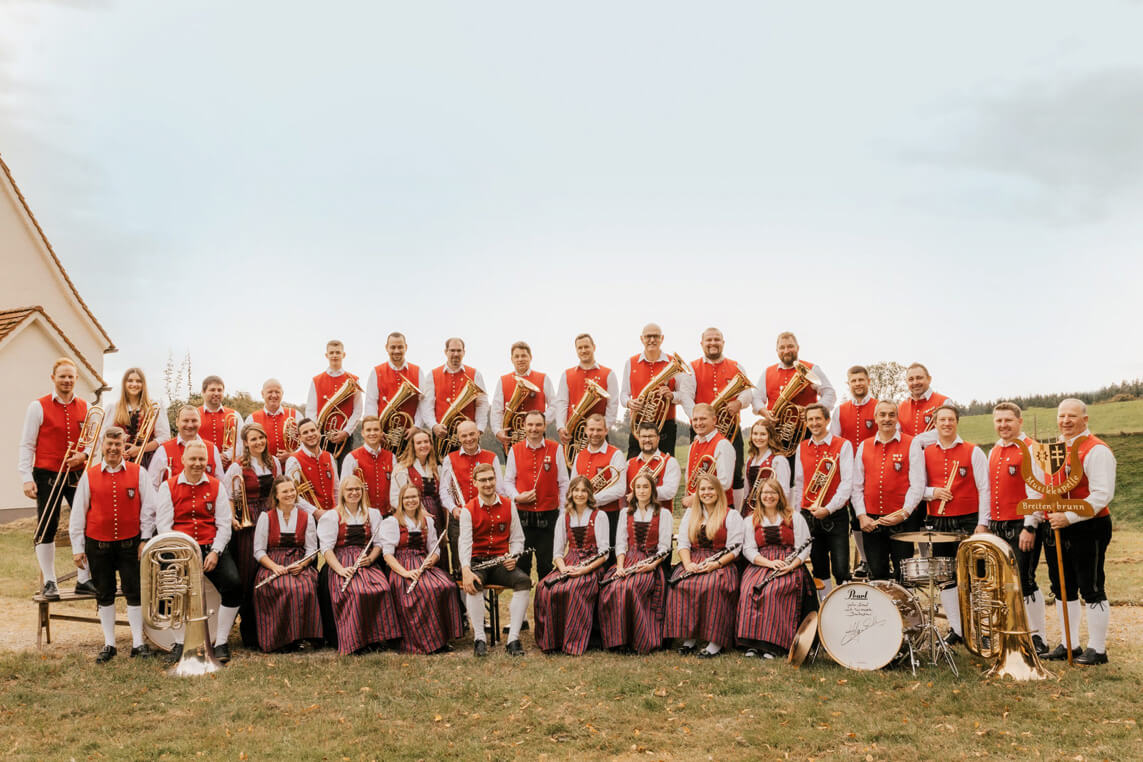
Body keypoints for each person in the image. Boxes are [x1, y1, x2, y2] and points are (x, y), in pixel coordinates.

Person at [1036, 399, 1116, 665]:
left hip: (1088, 526)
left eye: (1072, 416)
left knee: (1090, 586)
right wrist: (1042, 513)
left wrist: (1069, 517)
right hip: (1056, 526)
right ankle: (1069, 644)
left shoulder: (1096, 450)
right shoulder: (1054, 449)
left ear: (1085, 419)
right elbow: (1045, 487)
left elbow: (1101, 495)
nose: (1066, 421)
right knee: (1062, 586)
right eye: (1062, 416)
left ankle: (1098, 649)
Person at [148, 440, 241, 664]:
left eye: (202, 459)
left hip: (211, 548)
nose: (197, 463)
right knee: (167, 592)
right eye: (193, 459)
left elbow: (224, 524)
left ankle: (220, 642)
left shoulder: (217, 485)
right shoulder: (167, 486)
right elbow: (163, 526)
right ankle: (179, 642)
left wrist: (216, 552)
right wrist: (182, 556)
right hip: (179, 549)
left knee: (234, 585)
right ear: (183, 460)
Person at [68, 426, 156, 662]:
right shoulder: (90, 474)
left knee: (133, 592)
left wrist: (145, 539)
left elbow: (149, 509)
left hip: (130, 545)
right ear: (102, 447)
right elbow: (78, 514)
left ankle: (138, 643)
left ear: (124, 446)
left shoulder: (139, 472)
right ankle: (110, 644)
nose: (114, 448)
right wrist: (78, 548)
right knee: (104, 594)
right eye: (109, 444)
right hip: (98, 547)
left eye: (118, 444)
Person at [912, 405, 989, 646]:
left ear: (957, 422)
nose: (946, 423)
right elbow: (915, 488)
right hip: (938, 520)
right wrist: (933, 492)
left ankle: (983, 631)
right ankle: (958, 629)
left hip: (968, 520)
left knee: (975, 577)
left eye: (951, 419)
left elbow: (985, 489)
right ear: (935, 423)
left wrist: (983, 523)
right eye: (942, 419)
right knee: (946, 578)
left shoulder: (973, 451)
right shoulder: (925, 453)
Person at [19, 358, 96, 598]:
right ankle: (50, 582)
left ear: (76, 379)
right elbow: (27, 444)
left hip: (77, 472)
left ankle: (84, 579)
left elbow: (92, 443)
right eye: (62, 376)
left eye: (71, 376)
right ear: (53, 378)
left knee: (86, 523)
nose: (67, 380)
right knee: (47, 526)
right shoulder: (38, 406)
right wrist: (26, 476)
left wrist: (83, 455)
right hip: (46, 473)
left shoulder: (86, 407)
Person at [984, 402, 1048, 654]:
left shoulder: (1032, 449)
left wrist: (1030, 526)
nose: (1003, 425)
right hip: (997, 525)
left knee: (1025, 581)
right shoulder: (994, 451)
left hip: (1022, 525)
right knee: (999, 582)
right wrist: (987, 523)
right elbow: (989, 492)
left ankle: (1038, 636)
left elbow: (1038, 490)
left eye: (1008, 420)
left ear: (1019, 421)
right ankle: (1005, 631)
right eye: (999, 421)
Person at [319, 475, 401, 654]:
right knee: (354, 592)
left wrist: (371, 559)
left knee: (382, 588)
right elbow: (326, 549)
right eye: (349, 490)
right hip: (341, 562)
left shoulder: (373, 514)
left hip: (365, 561)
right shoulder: (332, 516)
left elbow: (379, 543)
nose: (354, 493)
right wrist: (341, 570)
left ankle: (375, 638)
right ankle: (355, 640)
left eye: (357, 489)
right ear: (342, 493)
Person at [664, 473, 743, 658]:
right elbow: (683, 544)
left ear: (718, 491)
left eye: (711, 488)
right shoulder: (691, 514)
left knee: (713, 586)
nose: (707, 492)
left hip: (721, 563)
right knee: (682, 584)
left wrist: (715, 565)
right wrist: (688, 564)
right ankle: (690, 638)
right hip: (694, 560)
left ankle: (715, 641)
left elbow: (735, 549)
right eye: (703, 489)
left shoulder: (731, 515)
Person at [736, 477, 814, 659]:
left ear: (780, 495)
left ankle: (774, 644)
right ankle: (752, 643)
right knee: (749, 589)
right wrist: (768, 563)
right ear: (759, 495)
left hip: (789, 564)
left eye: (773, 492)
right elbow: (748, 549)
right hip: (762, 563)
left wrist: (791, 566)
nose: (768, 496)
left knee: (774, 590)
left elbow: (805, 547)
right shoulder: (750, 520)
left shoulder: (794, 516)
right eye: (765, 493)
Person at [458, 463, 531, 657]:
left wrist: (513, 556)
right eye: (483, 480)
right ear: (475, 483)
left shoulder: (509, 505)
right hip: (477, 561)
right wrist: (466, 570)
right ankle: (479, 638)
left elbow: (518, 539)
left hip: (500, 560)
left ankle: (513, 639)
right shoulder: (468, 510)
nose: (488, 483)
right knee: (474, 582)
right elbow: (464, 543)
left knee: (524, 581)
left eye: (491, 479)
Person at [382, 482, 463, 654]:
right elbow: (388, 555)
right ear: (401, 500)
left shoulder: (427, 521)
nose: (411, 500)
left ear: (419, 500)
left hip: (423, 564)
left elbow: (435, 549)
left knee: (447, 586)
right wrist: (405, 573)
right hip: (402, 567)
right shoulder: (392, 522)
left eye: (414, 497)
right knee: (426, 590)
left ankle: (442, 638)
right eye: (407, 497)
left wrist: (431, 561)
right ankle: (426, 641)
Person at [533, 476, 610, 654]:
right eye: (576, 490)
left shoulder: (599, 516)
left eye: (584, 490)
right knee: (544, 587)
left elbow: (604, 553)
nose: (580, 494)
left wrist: (585, 569)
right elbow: (558, 553)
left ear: (590, 493)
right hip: (569, 562)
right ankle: (552, 640)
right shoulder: (564, 517)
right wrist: (563, 568)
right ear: (571, 493)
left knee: (573, 588)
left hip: (592, 565)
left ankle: (573, 642)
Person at [597, 472, 673, 653]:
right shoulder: (625, 512)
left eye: (646, 487)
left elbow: (664, 547)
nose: (641, 490)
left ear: (652, 490)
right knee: (613, 587)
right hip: (628, 560)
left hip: (651, 562)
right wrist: (621, 567)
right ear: (633, 490)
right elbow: (621, 545)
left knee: (630, 587)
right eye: (638, 487)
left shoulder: (664, 514)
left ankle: (637, 638)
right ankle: (617, 640)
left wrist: (652, 565)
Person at [678, 327, 753, 508]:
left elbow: (748, 394)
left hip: (731, 428)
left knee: (735, 474)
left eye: (717, 340)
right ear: (702, 343)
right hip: (702, 430)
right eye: (709, 340)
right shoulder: (691, 368)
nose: (713, 343)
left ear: (723, 343)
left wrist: (739, 403)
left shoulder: (736, 366)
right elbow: (685, 396)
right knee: (699, 471)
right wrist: (699, 418)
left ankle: (734, 513)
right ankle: (699, 508)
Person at [224, 423, 282, 648]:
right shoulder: (237, 466)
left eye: (261, 437)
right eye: (253, 439)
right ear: (245, 443)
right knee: (250, 572)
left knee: (270, 568)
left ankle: (272, 626)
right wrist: (234, 518)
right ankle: (250, 631)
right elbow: (229, 496)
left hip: (270, 517)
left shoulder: (274, 462)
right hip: (249, 522)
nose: (258, 442)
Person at [852, 401, 924, 581]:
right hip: (872, 521)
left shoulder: (912, 443)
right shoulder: (864, 446)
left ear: (897, 418)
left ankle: (902, 609)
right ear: (875, 418)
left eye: (891, 415)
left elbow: (917, 484)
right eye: (882, 415)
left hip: (902, 521)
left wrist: (904, 513)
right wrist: (861, 516)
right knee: (877, 573)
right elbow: (857, 486)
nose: (887, 419)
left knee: (903, 575)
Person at [752, 332, 836, 481]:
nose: (786, 350)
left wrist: (813, 411)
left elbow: (829, 394)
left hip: (805, 433)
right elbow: (756, 397)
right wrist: (764, 412)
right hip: (775, 435)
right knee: (774, 477)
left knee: (804, 476)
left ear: (797, 348)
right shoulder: (768, 372)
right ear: (777, 350)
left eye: (790, 346)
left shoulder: (812, 368)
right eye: (782, 347)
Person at [252, 476, 322, 652]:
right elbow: (259, 551)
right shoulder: (265, 517)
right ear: (276, 495)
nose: (290, 494)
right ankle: (278, 639)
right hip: (273, 564)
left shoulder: (306, 517)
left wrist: (303, 565)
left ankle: (300, 637)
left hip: (298, 563)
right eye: (285, 491)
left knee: (304, 587)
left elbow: (311, 550)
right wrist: (275, 567)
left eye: (292, 490)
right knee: (280, 587)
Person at [792, 404, 854, 597]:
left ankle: (844, 610)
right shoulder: (801, 447)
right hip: (809, 514)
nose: (814, 423)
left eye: (818, 419)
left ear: (827, 420)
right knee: (819, 568)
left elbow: (847, 483)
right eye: (810, 419)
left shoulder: (843, 444)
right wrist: (798, 514)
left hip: (835, 515)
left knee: (841, 568)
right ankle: (825, 610)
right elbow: (799, 483)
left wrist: (828, 508)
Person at [503, 410, 569, 582]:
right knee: (522, 565)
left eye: (538, 424)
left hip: (549, 515)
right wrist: (517, 497)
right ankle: (522, 608)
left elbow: (563, 483)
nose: (534, 428)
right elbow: (507, 482)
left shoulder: (556, 449)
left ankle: (544, 606)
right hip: (522, 516)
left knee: (546, 566)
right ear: (524, 426)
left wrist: (562, 513)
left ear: (545, 426)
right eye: (530, 424)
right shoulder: (514, 450)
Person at [831, 366, 878, 577]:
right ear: (848, 384)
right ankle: (865, 560)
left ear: (868, 381)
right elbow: (835, 441)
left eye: (861, 380)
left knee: (874, 513)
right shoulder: (840, 410)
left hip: (874, 470)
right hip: (848, 471)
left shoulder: (879, 407)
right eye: (853, 380)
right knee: (856, 518)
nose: (858, 383)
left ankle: (879, 559)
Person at [620, 322, 684, 458]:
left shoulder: (673, 362)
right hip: (638, 424)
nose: (652, 340)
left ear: (662, 338)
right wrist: (629, 403)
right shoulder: (631, 362)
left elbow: (683, 395)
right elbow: (624, 394)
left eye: (656, 336)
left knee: (665, 463)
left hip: (666, 424)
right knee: (633, 463)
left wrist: (671, 395)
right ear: (642, 339)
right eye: (648, 336)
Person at [389, 429, 449, 570]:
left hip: (436, 516)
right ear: (413, 446)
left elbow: (444, 495)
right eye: (419, 442)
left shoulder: (438, 468)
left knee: (437, 553)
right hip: (413, 517)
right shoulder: (402, 468)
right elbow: (394, 498)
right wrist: (418, 512)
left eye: (426, 442)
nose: (423, 445)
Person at [365, 332, 432, 452]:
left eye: (400, 347)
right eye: (393, 347)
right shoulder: (376, 371)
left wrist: (416, 427)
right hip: (384, 437)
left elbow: (423, 404)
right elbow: (371, 404)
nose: (396, 351)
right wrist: (377, 431)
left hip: (410, 434)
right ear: (386, 348)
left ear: (406, 347)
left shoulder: (417, 371)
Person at [555, 333, 620, 457]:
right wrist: (560, 427)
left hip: (598, 432)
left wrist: (604, 429)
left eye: (586, 347)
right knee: (572, 472)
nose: (583, 350)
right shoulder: (566, 374)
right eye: (580, 348)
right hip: (573, 432)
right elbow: (562, 402)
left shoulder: (609, 374)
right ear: (576, 350)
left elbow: (613, 405)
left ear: (593, 347)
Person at [571, 414, 627, 550]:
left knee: (608, 555)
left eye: (599, 430)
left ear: (606, 431)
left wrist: (591, 499)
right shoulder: (579, 455)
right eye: (591, 429)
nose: (595, 433)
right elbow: (572, 486)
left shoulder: (615, 454)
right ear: (585, 430)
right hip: (583, 515)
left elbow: (620, 488)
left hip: (609, 515)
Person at [427, 337, 490, 457]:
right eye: (452, 350)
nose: (455, 354)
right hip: (442, 435)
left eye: (459, 350)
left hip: (469, 436)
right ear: (446, 352)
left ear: (464, 352)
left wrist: (479, 428)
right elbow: (427, 405)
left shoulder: (475, 374)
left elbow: (482, 404)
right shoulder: (432, 375)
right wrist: (434, 426)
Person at [305, 339, 363, 470]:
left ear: (344, 355)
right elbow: (311, 410)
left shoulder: (354, 380)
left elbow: (358, 411)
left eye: (338, 352)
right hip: (322, 436)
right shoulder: (316, 380)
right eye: (331, 352)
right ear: (326, 355)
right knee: (323, 472)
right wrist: (316, 431)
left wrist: (346, 432)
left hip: (345, 436)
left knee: (346, 471)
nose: (335, 355)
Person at [99, 367, 170, 469]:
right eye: (130, 381)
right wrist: (117, 451)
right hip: (118, 460)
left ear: (143, 384)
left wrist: (140, 449)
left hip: (147, 461)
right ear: (124, 384)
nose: (134, 384)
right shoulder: (113, 408)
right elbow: (103, 437)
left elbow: (164, 437)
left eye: (138, 381)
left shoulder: (154, 407)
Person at [490, 341, 555, 452]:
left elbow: (554, 405)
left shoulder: (544, 378)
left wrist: (541, 422)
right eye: (517, 356)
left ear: (530, 357)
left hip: (537, 433)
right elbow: (496, 409)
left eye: (524, 355)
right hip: (511, 436)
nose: (520, 359)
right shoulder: (502, 380)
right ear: (512, 359)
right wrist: (498, 431)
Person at [146, 405, 225, 488]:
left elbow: (221, 485)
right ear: (177, 422)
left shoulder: (212, 449)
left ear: (200, 422)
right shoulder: (163, 450)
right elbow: (152, 486)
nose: (190, 425)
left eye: (194, 421)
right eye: (185, 421)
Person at [340, 415, 396, 515]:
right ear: (362, 433)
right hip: (362, 515)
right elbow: (343, 489)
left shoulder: (392, 457)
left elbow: (397, 487)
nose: (372, 433)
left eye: (376, 429)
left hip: (388, 514)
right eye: (368, 430)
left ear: (381, 433)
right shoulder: (351, 457)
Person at [682, 404, 734, 508]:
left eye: (703, 419)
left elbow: (724, 482)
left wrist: (696, 497)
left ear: (714, 420)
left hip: (718, 508)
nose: (698, 423)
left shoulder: (722, 444)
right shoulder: (694, 444)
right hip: (698, 507)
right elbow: (688, 479)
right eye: (695, 419)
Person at [284, 418, 339, 515]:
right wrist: (315, 512)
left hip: (332, 514)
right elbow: (291, 495)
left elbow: (336, 489)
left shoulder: (329, 456)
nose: (310, 434)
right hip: (308, 518)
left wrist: (338, 511)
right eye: (305, 432)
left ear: (318, 431)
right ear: (300, 437)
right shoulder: (294, 460)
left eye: (313, 430)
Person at [624, 422, 681, 511]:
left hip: (660, 517)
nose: (647, 440)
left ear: (658, 438)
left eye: (651, 436)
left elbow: (670, 491)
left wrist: (639, 493)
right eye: (643, 436)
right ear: (638, 438)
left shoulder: (670, 462)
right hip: (634, 516)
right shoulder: (629, 464)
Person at [244, 378, 299, 464]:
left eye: (277, 392)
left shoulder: (296, 415)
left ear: (282, 393)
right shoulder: (251, 418)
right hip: (264, 470)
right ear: (262, 394)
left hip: (292, 467)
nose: (274, 395)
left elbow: (305, 443)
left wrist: (292, 455)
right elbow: (246, 447)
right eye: (270, 392)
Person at [743, 420, 791, 509]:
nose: (758, 437)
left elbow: (784, 492)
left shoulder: (779, 460)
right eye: (755, 434)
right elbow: (746, 490)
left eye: (763, 434)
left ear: (770, 436)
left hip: (770, 509)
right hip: (750, 508)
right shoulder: (750, 459)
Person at [197, 375, 240, 469]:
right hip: (202, 468)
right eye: (212, 390)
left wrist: (227, 456)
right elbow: (190, 442)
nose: (216, 393)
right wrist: (214, 457)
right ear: (203, 392)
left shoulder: (235, 415)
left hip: (229, 468)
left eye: (219, 390)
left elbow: (242, 443)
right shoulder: (194, 414)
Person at [896, 363, 950, 437]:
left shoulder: (944, 402)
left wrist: (919, 441)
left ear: (929, 379)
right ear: (907, 382)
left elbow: (947, 432)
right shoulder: (900, 408)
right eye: (911, 379)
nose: (915, 382)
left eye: (919, 378)